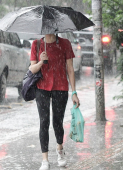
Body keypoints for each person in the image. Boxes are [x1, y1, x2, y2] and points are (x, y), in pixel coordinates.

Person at [29, 34, 80, 170]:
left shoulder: (64, 44)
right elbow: (32, 69)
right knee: (44, 122)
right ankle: (45, 160)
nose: (49, 30)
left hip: (60, 87)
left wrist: (74, 92)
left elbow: (70, 68)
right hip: (42, 88)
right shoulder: (37, 44)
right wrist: (41, 62)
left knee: (57, 122)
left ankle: (60, 148)